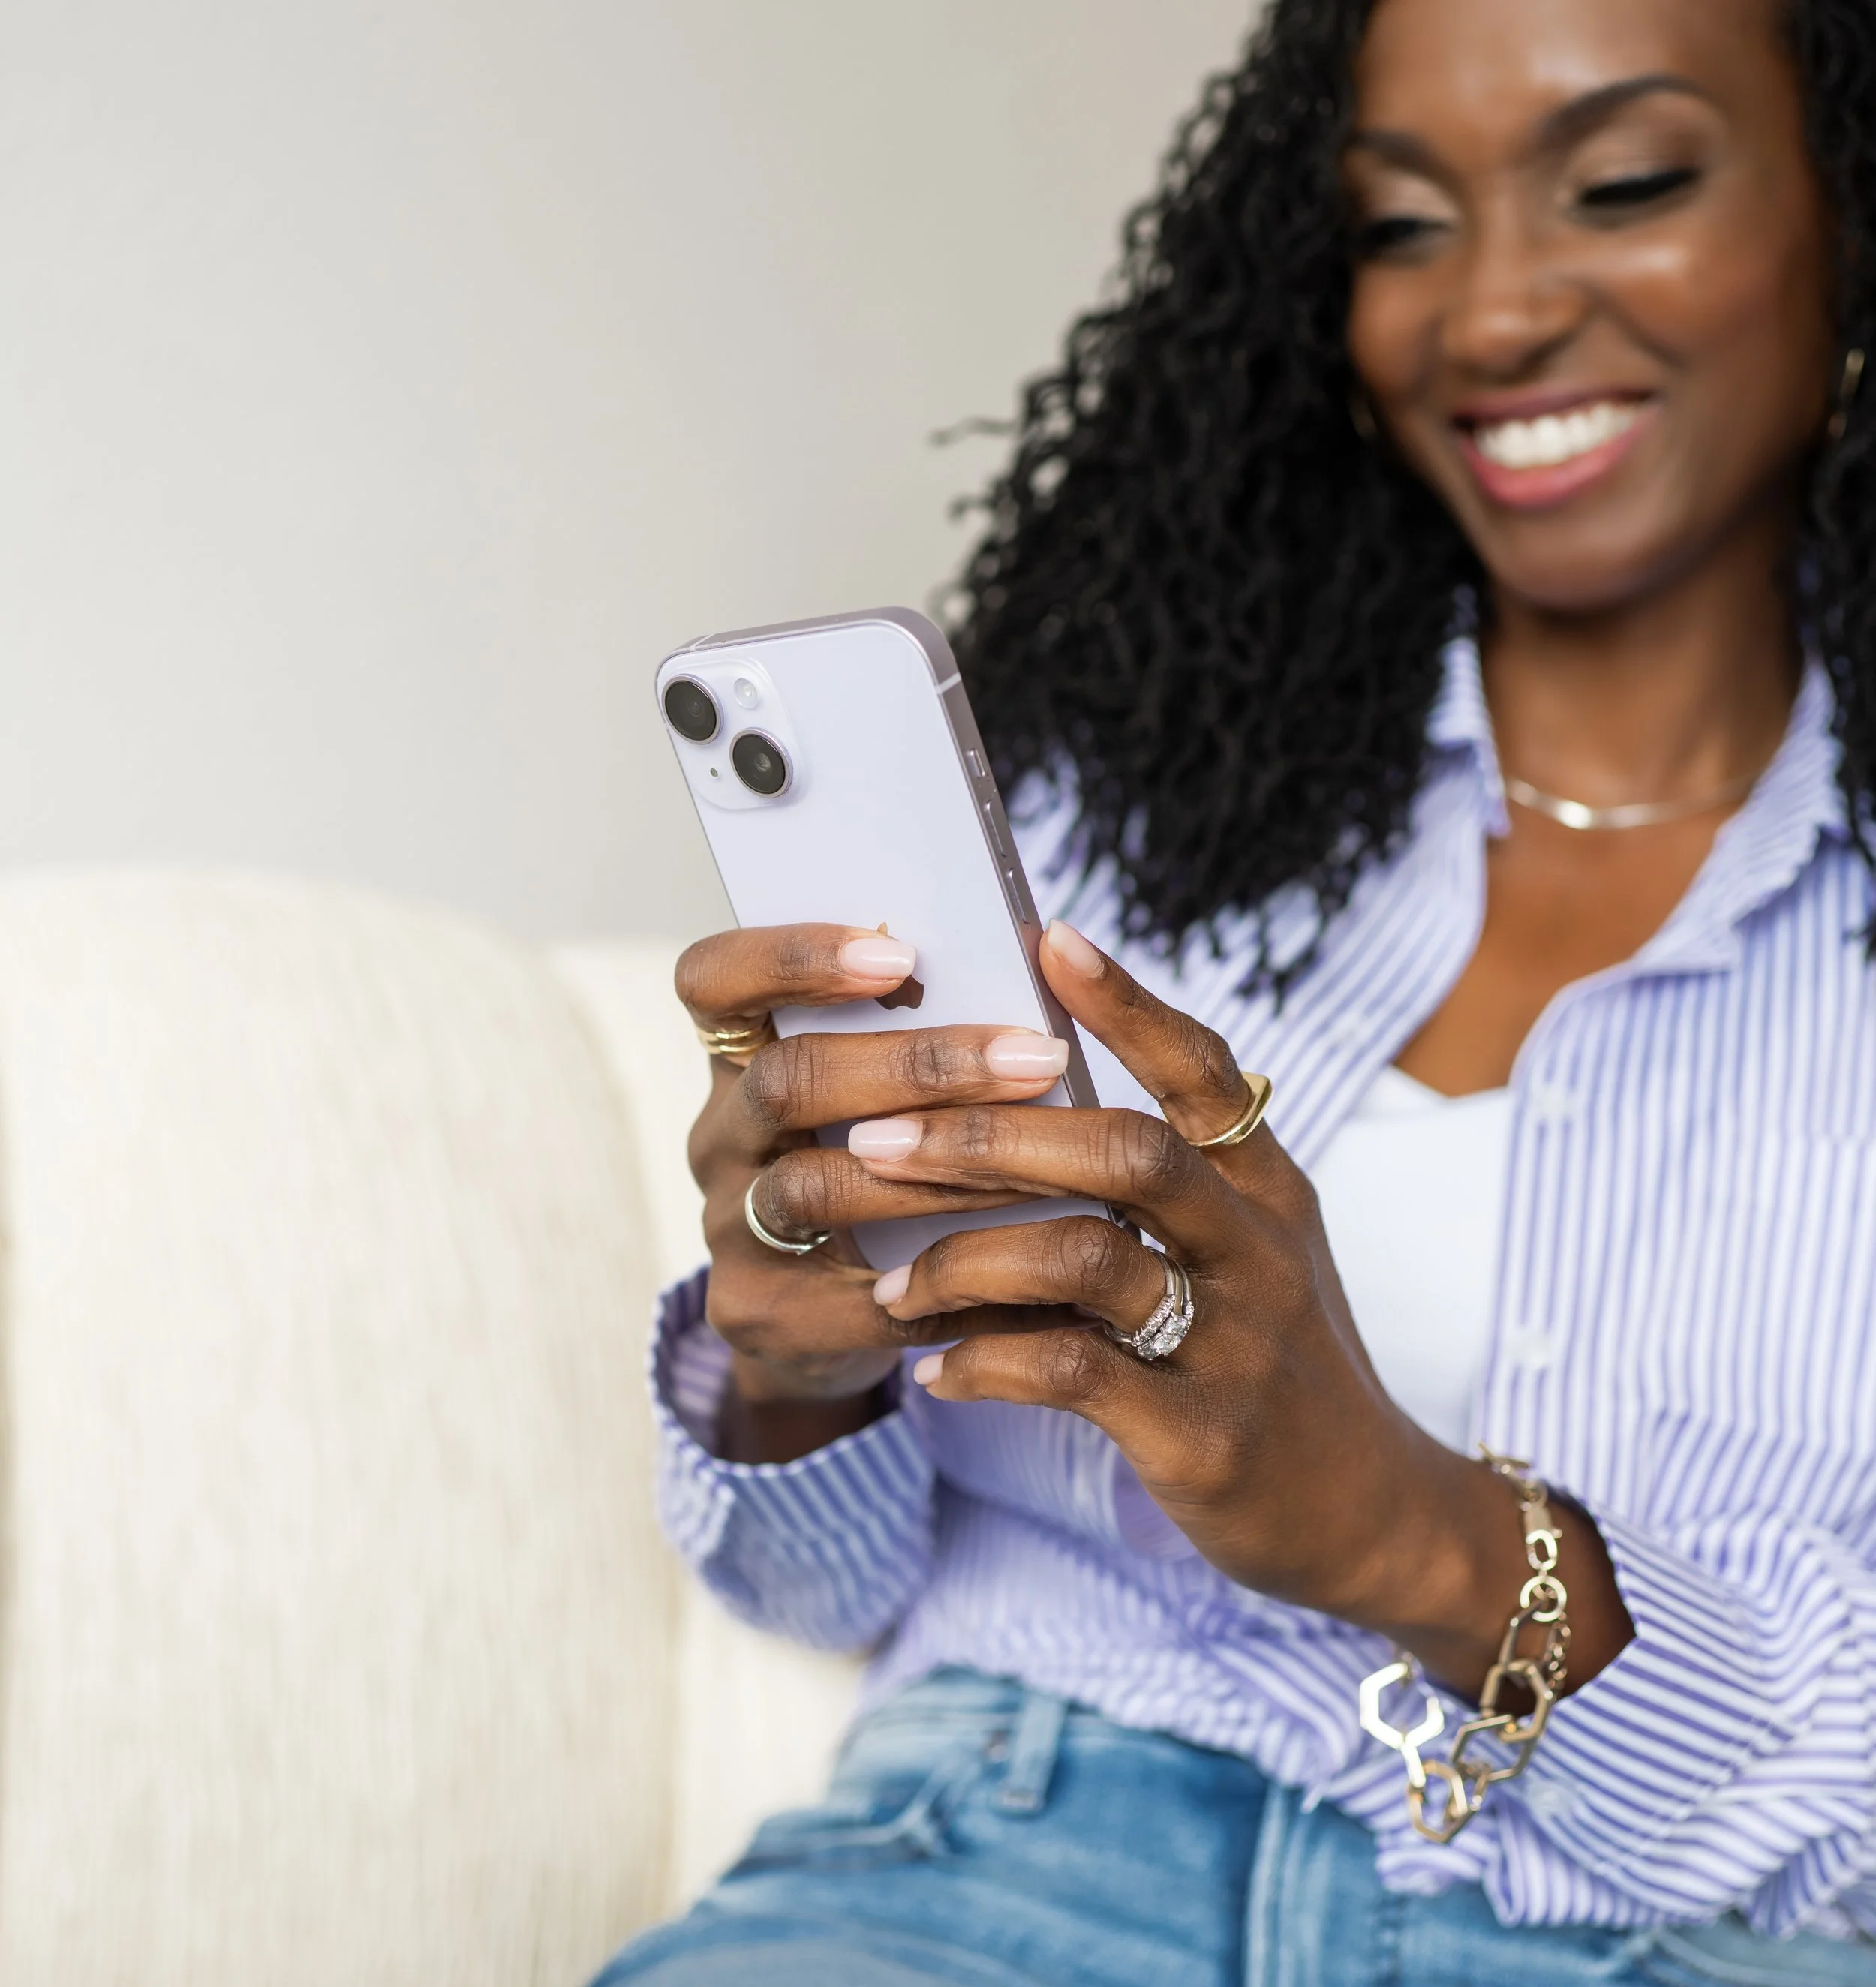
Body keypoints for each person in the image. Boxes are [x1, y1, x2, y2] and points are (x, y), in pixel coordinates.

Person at [598, 0, 1876, 1979]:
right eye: (1395, 226)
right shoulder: (1142, 791)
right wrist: (787, 1375)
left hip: (1648, 1926)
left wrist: (1421, 1545)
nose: (1493, 317)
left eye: (1621, 184)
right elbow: (809, 1581)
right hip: (999, 1843)